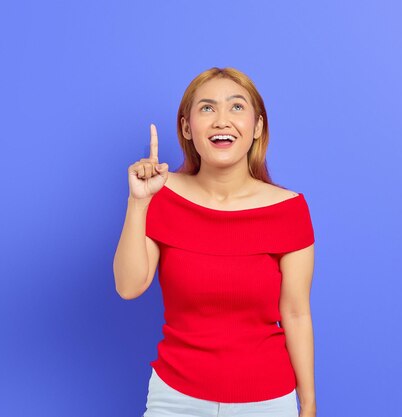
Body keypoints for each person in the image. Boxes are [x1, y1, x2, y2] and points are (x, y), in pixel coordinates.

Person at [113, 67, 317, 417]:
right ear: (187, 128)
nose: (222, 120)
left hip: (267, 402)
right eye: (207, 108)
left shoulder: (289, 210)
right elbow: (129, 286)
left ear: (258, 127)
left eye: (237, 107)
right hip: (175, 399)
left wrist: (309, 405)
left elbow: (296, 313)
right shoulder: (161, 195)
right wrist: (138, 202)